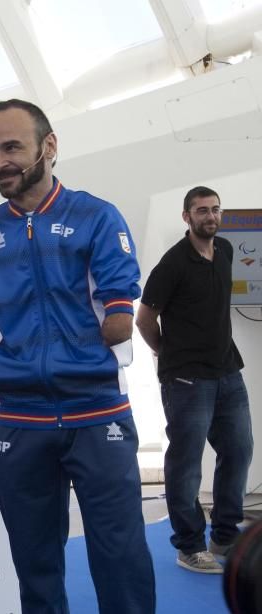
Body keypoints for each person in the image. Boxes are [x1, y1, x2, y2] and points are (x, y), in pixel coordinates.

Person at [0, 98, 155, 613]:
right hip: (19, 422)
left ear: (49, 147)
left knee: (120, 558)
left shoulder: (95, 215)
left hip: (97, 417)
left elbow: (120, 308)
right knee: (35, 564)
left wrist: (96, 345)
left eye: (11, 147)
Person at [135, 186, 253, 574]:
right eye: (202, 210)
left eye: (216, 210)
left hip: (227, 373)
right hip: (187, 380)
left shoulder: (225, 252)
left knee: (238, 451)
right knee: (185, 466)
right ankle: (188, 545)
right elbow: (144, 319)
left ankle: (223, 535)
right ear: (187, 217)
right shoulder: (172, 265)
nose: (210, 216)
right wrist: (165, 353)